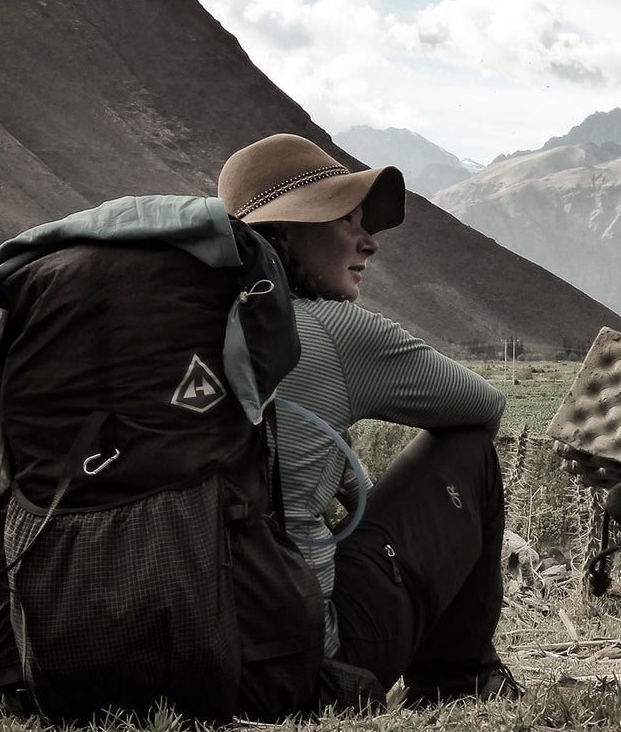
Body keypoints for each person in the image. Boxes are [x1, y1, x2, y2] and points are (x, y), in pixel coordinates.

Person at [217, 133, 516, 704]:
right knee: (469, 452)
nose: (370, 243)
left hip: (160, 645)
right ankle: (461, 682)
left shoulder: (170, 332)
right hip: (301, 663)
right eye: (345, 219)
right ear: (284, 234)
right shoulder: (330, 328)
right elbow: (483, 406)